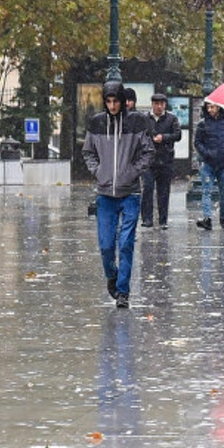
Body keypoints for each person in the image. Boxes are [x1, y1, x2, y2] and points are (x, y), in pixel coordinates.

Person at [82, 81, 155, 309]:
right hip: (105, 193)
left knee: (125, 244)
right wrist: (98, 171)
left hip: (130, 192)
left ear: (122, 101)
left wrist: (133, 171)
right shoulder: (96, 123)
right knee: (105, 245)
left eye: (116, 101)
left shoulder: (137, 122)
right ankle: (112, 275)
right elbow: (88, 152)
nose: (112, 105)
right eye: (108, 101)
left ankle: (123, 291)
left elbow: (148, 151)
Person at [140, 93, 182, 228]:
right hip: (149, 161)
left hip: (165, 159)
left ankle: (163, 220)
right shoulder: (145, 118)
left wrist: (163, 137)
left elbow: (177, 135)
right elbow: (139, 135)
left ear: (165, 105)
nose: (159, 107)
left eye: (161, 104)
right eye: (156, 104)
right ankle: (147, 219)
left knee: (163, 191)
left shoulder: (171, 118)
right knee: (148, 188)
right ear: (152, 104)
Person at [193, 100, 224, 230]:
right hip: (208, 162)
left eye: (212, 107)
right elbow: (197, 142)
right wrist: (206, 153)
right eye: (208, 107)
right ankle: (207, 218)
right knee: (207, 191)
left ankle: (223, 218)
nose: (210, 110)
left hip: (223, 163)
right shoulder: (203, 124)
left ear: (219, 107)